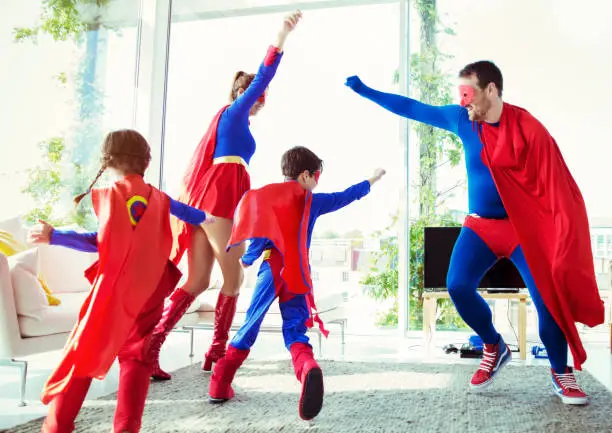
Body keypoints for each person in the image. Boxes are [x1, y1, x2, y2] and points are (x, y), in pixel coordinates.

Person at [345, 61, 604, 405]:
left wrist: (560, 232)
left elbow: (556, 183)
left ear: (491, 90)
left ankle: (561, 372)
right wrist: (365, 90)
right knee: (457, 285)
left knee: (547, 300)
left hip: (522, 229)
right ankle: (493, 345)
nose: (464, 102)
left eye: (469, 93)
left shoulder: (528, 127)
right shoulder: (461, 120)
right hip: (480, 225)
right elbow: (413, 108)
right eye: (460, 94)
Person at [145, 10, 304, 380]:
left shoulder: (233, 121)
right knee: (234, 280)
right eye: (258, 95)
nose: (262, 100)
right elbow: (264, 74)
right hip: (218, 201)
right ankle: (217, 352)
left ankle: (150, 351)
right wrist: (281, 35)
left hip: (211, 201)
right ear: (247, 94)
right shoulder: (233, 113)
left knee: (198, 281)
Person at [28, 129, 215, 433]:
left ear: (108, 161)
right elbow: (194, 216)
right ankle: (127, 428)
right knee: (137, 360)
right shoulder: (159, 197)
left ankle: (57, 426)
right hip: (150, 292)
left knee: (83, 354)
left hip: (113, 292)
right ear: (145, 161)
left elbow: (100, 241)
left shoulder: (114, 196)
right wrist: (210, 219)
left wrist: (55, 236)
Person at [207, 145, 386, 420]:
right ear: (305, 175)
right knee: (295, 328)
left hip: (271, 266)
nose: (316, 184)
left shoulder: (264, 196)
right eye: (316, 177)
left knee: (251, 323)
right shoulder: (310, 200)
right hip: (297, 271)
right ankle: (307, 368)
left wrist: (249, 259)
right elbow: (345, 197)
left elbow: (257, 231)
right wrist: (372, 179)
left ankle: (220, 382)